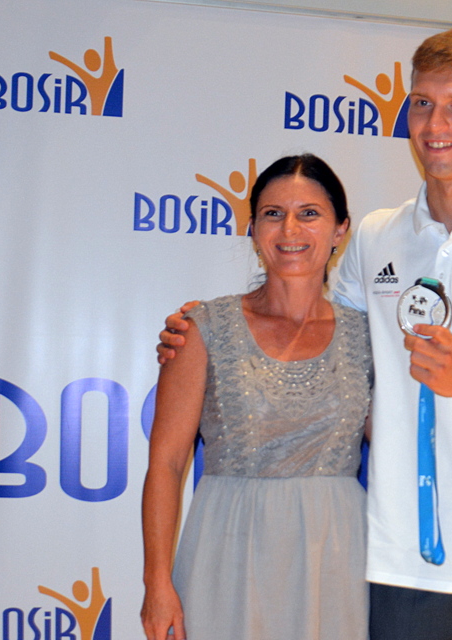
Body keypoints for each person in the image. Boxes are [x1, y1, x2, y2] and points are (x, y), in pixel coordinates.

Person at [159, 28, 452, 640]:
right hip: (396, 570)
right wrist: (212, 329)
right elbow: (317, 336)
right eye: (423, 103)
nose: (437, 123)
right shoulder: (377, 238)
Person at [141, 154, 373, 640]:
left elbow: (401, 443)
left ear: (340, 230)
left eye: (309, 213)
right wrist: (157, 583)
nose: (290, 228)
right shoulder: (203, 328)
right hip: (226, 549)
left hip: (337, 557)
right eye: (273, 213)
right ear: (253, 229)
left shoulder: (368, 337)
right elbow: (166, 463)